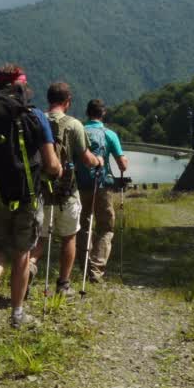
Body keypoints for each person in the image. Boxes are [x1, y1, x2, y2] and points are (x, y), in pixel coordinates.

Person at [0, 64, 61, 328]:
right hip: (28, 195)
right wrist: (52, 173)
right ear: (22, 87)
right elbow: (52, 164)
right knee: (22, 252)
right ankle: (17, 313)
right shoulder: (34, 116)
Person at [30, 82, 101, 296]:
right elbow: (86, 159)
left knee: (39, 238)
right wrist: (98, 161)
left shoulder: (35, 120)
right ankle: (63, 284)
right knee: (69, 237)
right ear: (67, 102)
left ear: (49, 99)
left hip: (40, 191)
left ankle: (30, 266)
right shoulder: (74, 125)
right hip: (67, 191)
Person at [75, 98, 130, 284]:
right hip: (103, 186)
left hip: (80, 186)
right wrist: (124, 161)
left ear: (87, 113)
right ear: (103, 113)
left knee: (82, 226)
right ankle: (96, 269)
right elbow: (122, 165)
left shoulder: (78, 131)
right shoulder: (109, 134)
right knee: (105, 227)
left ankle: (84, 267)